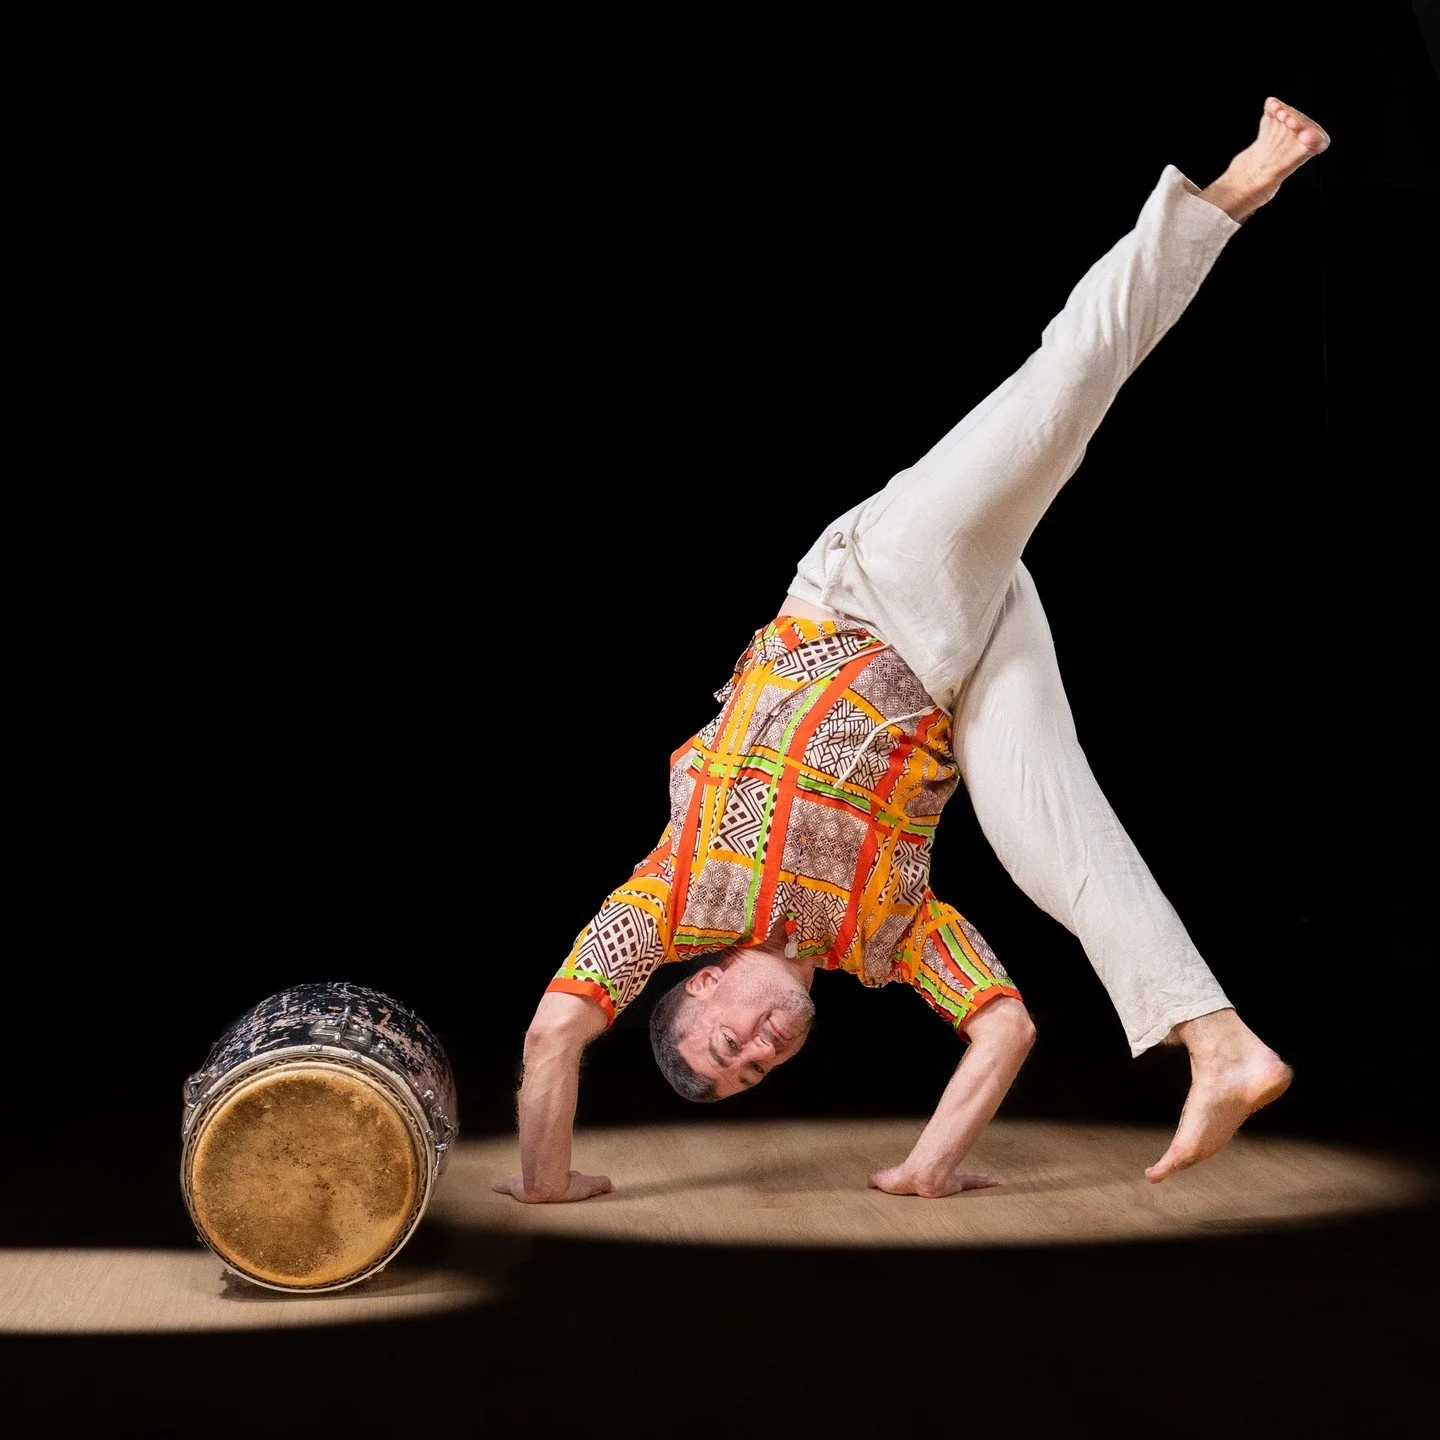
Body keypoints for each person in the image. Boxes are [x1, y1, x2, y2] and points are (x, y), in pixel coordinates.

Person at [494, 98, 1332, 1204]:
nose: (759, 1052)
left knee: (1061, 393)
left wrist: (547, 1182)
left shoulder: (674, 896)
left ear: (694, 991)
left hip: (874, 591)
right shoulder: (885, 940)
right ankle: (1219, 1041)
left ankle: (1235, 187)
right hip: (962, 660)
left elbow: (553, 1035)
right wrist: (924, 1170)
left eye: (727, 1045)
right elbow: (1005, 1031)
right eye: (755, 1073)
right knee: (1052, 847)